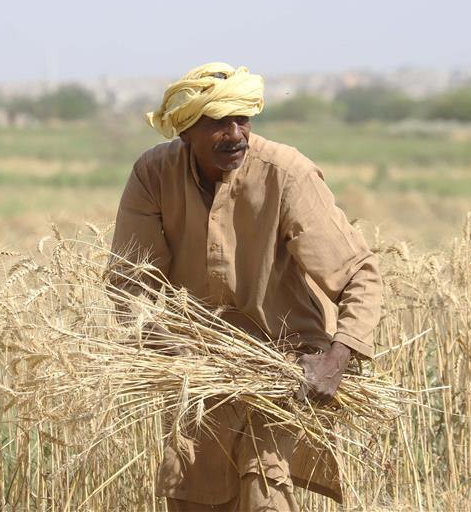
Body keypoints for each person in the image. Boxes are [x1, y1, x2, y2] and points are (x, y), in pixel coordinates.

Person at [110, 62, 383, 511]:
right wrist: (163, 343)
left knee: (265, 493)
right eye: (219, 122)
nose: (235, 134)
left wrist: (337, 357)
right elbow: (128, 283)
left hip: (284, 366)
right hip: (197, 374)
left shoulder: (286, 173)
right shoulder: (153, 175)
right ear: (185, 132)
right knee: (193, 495)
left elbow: (359, 274)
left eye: (243, 120)